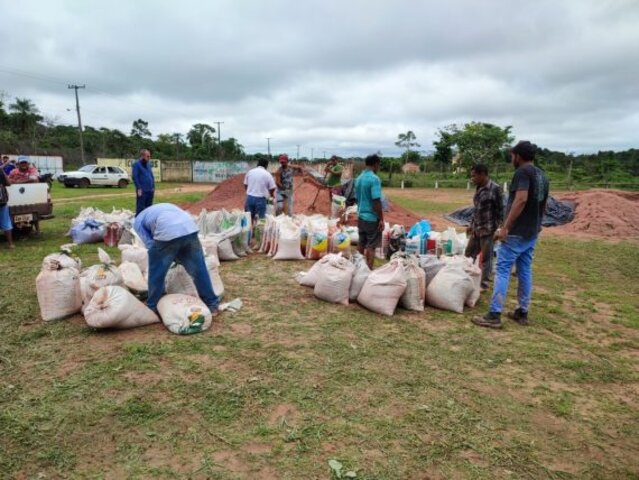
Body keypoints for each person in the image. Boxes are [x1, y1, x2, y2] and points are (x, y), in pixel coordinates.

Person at [472, 141, 549, 329]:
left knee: (503, 269)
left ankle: (494, 314)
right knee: (524, 270)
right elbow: (544, 203)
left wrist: (506, 227)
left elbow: (521, 199)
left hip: (516, 232)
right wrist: (539, 223)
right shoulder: (542, 175)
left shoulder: (522, 173)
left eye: (512, 155)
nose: (511, 159)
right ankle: (522, 311)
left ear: (518, 156)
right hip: (531, 232)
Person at [134, 203, 219, 317]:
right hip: (190, 229)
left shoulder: (137, 222)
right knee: (199, 269)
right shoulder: (161, 208)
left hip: (167, 232)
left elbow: (150, 244)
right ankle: (212, 304)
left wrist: (166, 257)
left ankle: (152, 306)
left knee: (156, 272)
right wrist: (175, 254)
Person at [465, 163, 504, 290]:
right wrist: (471, 224)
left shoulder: (495, 189)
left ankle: (484, 283)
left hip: (488, 229)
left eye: (474, 176)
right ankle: (468, 277)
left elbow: (501, 211)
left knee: (486, 258)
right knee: (469, 254)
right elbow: (477, 209)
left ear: (482, 174)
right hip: (476, 229)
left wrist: (498, 229)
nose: (472, 179)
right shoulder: (478, 188)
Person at [355, 154, 384, 270]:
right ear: (376, 164)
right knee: (371, 247)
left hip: (361, 216)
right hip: (372, 218)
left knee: (361, 243)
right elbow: (376, 201)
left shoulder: (359, 178)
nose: (378, 168)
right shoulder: (374, 179)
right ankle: (368, 271)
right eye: (379, 165)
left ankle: (357, 269)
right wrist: (381, 219)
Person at [244, 158, 276, 222]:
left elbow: (245, 184)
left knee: (248, 219)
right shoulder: (267, 174)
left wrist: (248, 191)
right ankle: (258, 231)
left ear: (258, 164)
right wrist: (271, 195)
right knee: (260, 221)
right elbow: (272, 187)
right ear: (266, 165)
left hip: (249, 198)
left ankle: (250, 231)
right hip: (260, 200)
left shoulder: (250, 172)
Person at [132, 149, 155, 215]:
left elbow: (151, 175)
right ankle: (138, 223)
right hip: (142, 191)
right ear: (142, 156)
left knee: (149, 209)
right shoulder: (136, 165)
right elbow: (135, 177)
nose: (149, 158)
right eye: (148, 156)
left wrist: (153, 187)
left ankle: (147, 223)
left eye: (150, 156)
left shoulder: (148, 164)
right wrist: (139, 188)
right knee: (140, 208)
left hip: (150, 191)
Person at [0, 168, 15, 249]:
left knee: (6, 223)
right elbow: (8, 183)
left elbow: (9, 183)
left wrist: (2, 171)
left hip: (2, 202)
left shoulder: (1, 171)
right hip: (2, 202)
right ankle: (10, 244)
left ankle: (10, 244)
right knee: (6, 223)